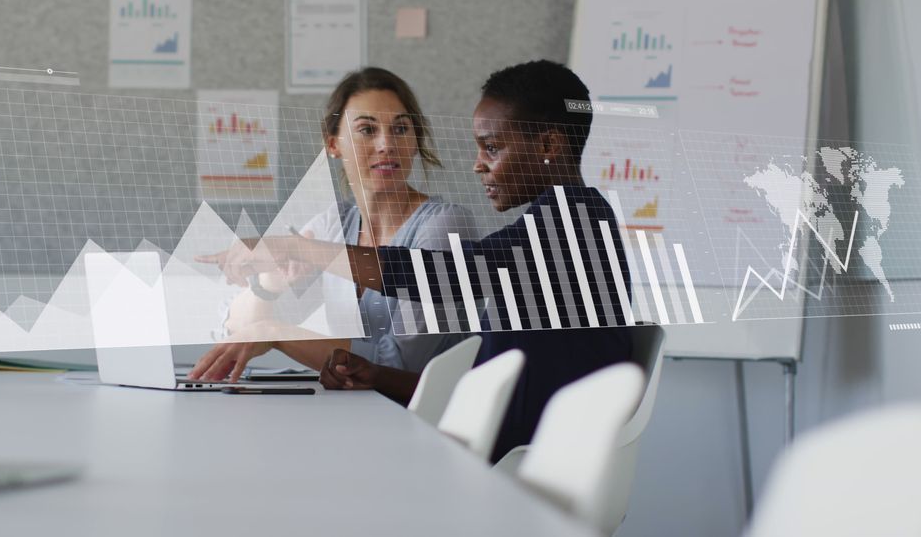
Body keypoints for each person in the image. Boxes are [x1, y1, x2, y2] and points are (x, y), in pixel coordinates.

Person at [203, 60, 634, 462]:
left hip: (520, 460)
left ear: (548, 145)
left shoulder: (572, 224)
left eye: (492, 148)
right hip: (495, 444)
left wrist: (297, 250)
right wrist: (373, 375)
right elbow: (470, 385)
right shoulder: (561, 219)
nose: (478, 165)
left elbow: (437, 275)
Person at [188, 67, 477, 383]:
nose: (386, 144)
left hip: (425, 422)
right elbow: (235, 327)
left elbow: (398, 364)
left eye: (401, 129)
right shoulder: (335, 223)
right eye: (367, 130)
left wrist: (276, 333)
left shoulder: (445, 225)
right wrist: (269, 285)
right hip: (358, 413)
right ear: (333, 144)